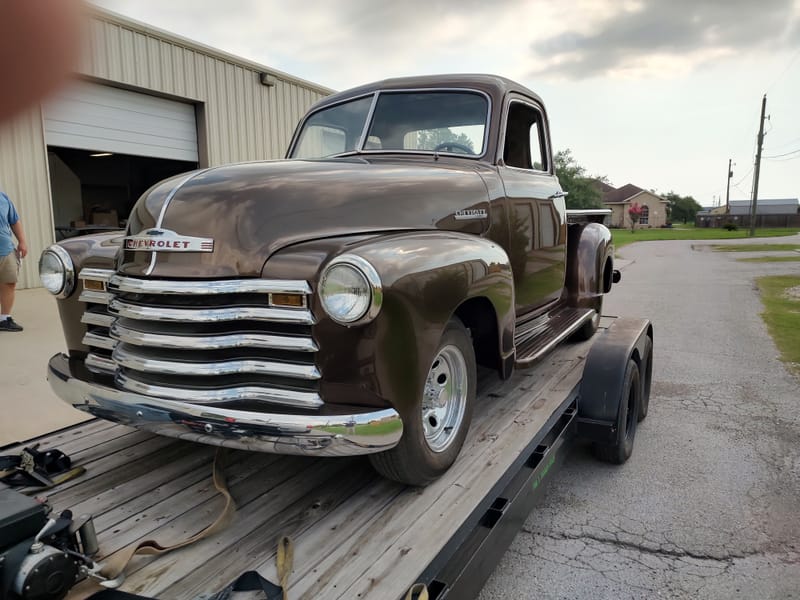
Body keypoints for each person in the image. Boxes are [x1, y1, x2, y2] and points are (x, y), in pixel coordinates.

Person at [0, 190, 27, 332]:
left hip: (5, 249)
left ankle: (4, 319)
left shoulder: (3, 197)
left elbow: (14, 221)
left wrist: (22, 241)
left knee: (9, 283)